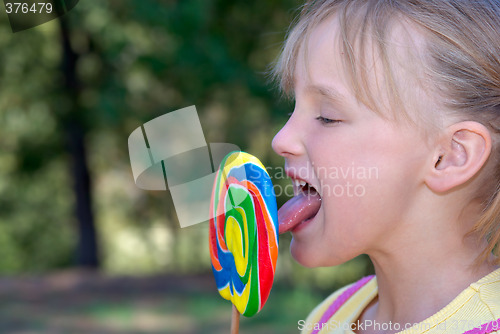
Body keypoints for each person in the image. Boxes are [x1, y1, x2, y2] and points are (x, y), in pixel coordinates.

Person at [271, 1, 500, 333]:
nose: (282, 138)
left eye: (327, 116)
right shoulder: (327, 318)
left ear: (449, 156)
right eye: (293, 107)